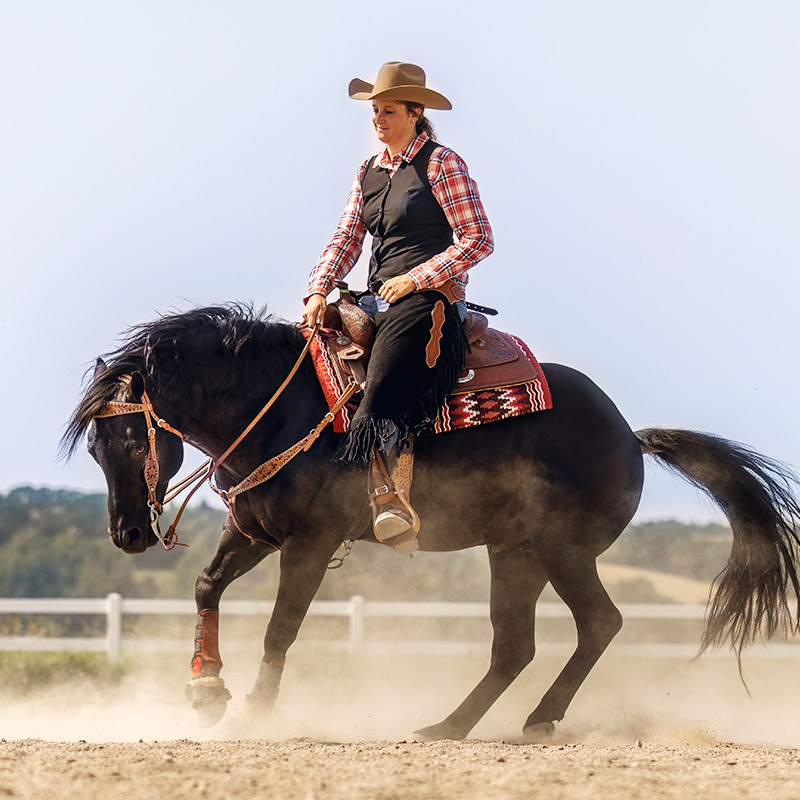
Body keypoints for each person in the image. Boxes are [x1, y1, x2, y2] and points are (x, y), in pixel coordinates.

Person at [302, 61, 494, 552]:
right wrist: (320, 289)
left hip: (430, 299)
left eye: (388, 110)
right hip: (374, 296)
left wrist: (416, 279)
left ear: (415, 112)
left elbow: (477, 238)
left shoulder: (442, 163)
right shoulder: (367, 172)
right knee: (308, 349)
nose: (378, 119)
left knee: (390, 367)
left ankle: (390, 498)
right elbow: (347, 237)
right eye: (375, 110)